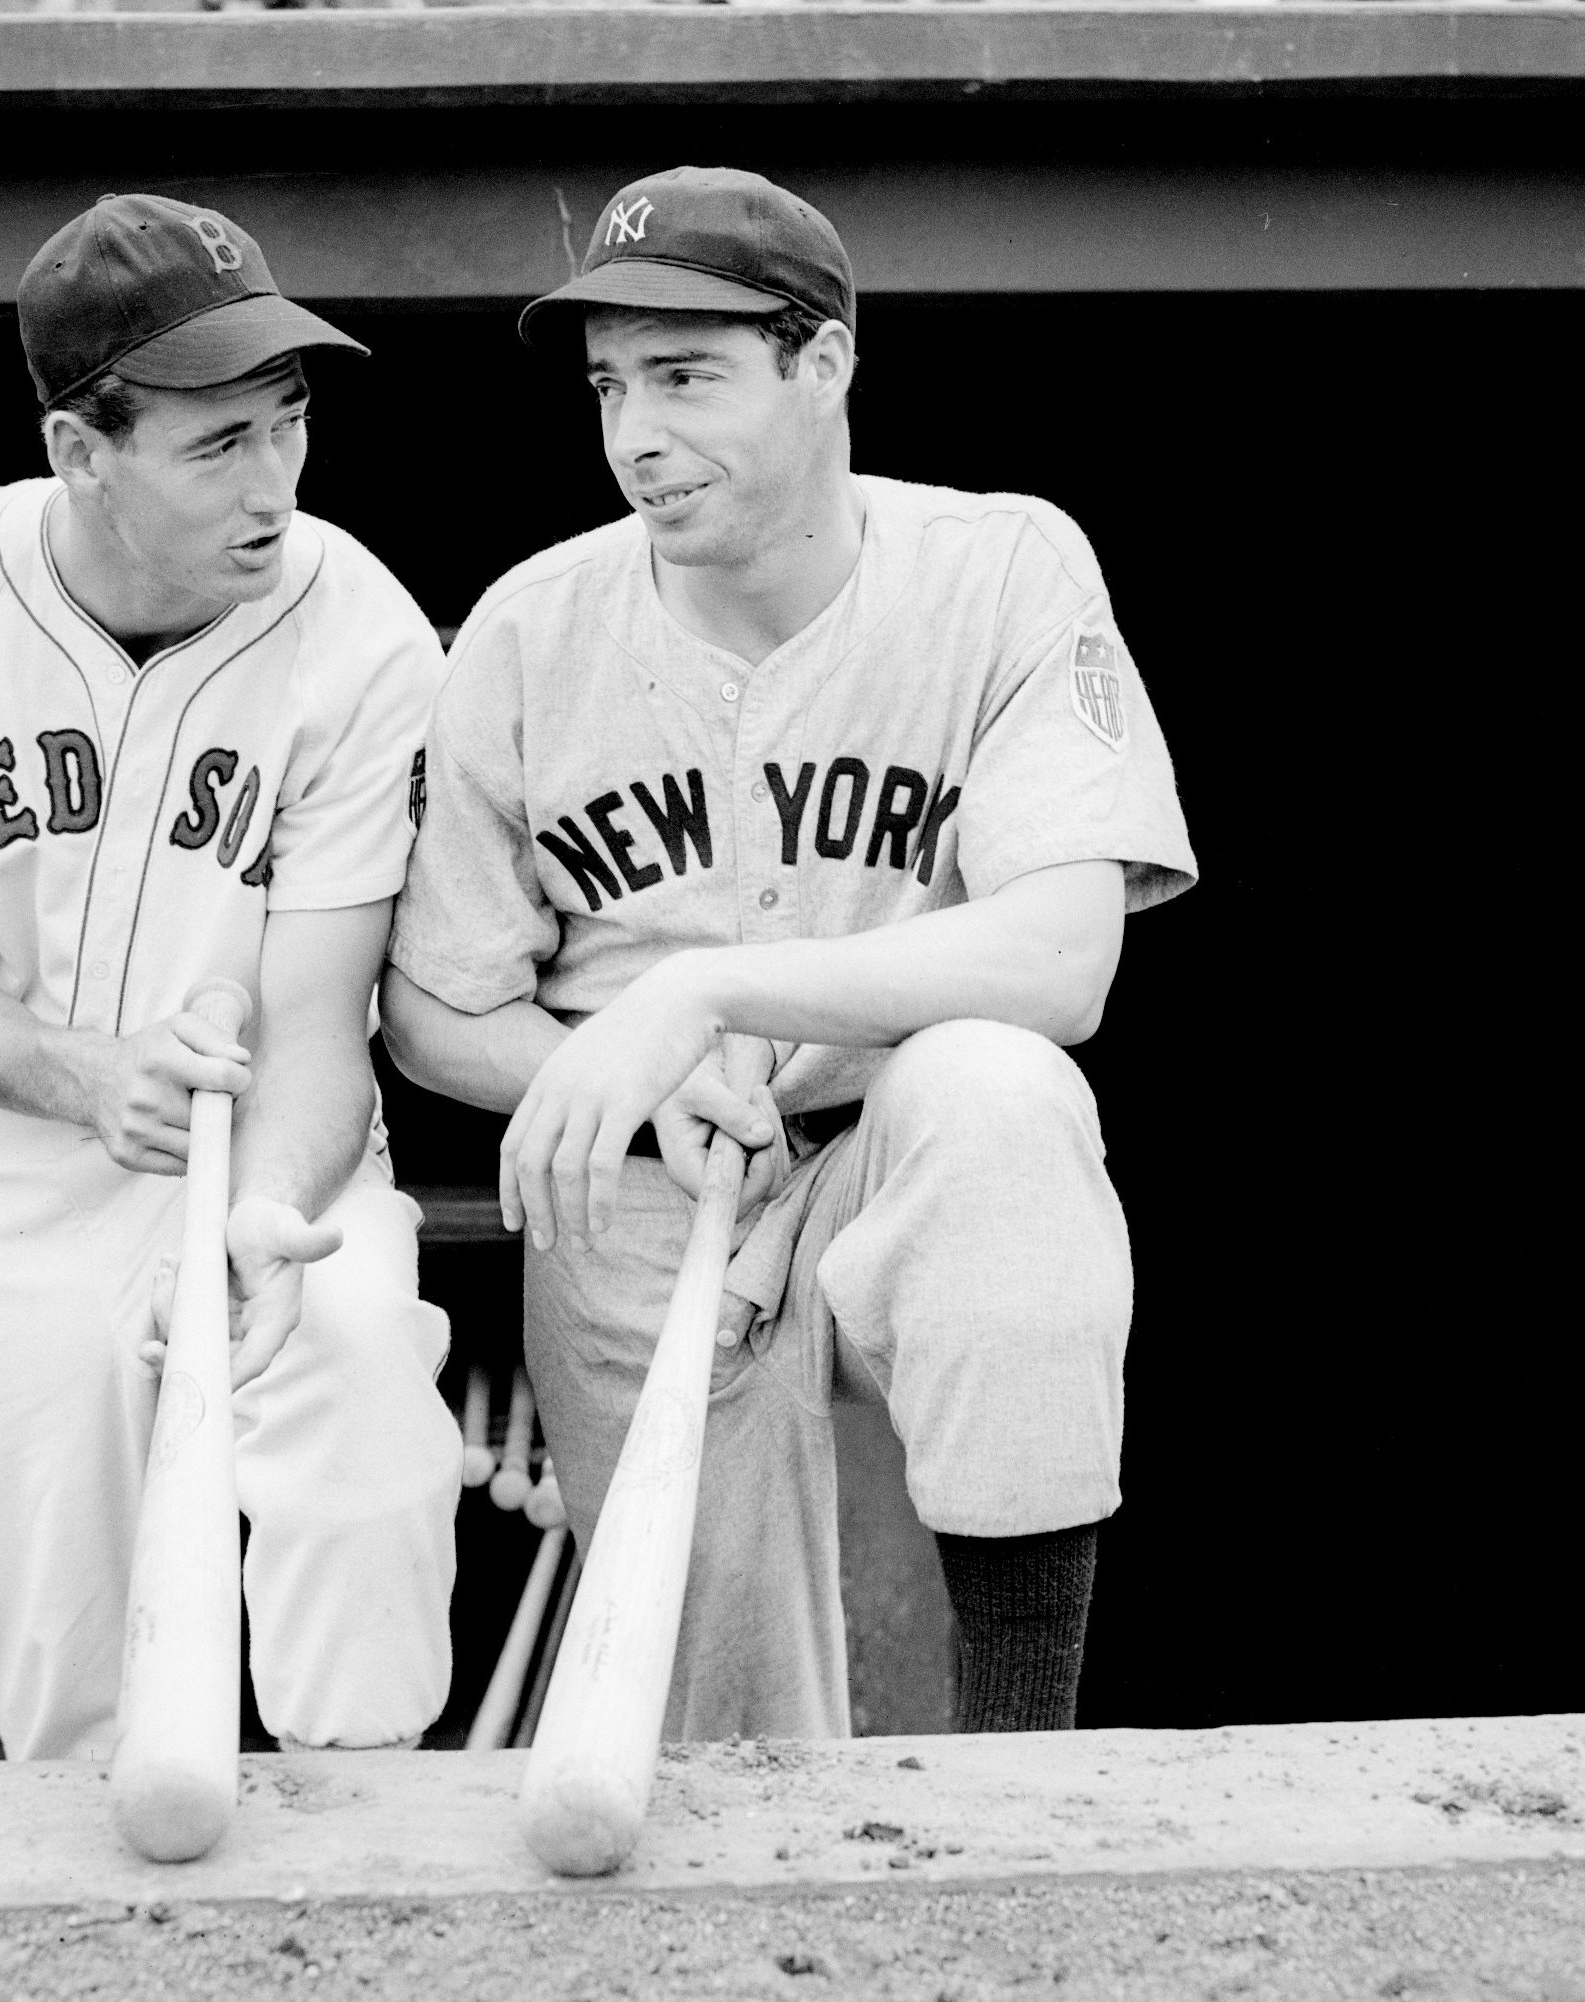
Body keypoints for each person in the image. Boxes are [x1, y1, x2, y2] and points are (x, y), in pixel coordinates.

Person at [382, 166, 1197, 1739]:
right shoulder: (529, 630)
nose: (635, 435)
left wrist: (704, 990)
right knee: (722, 1744)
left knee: (1000, 1097)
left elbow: (1063, 955)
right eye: (613, 385)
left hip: (885, 1145)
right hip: (648, 1189)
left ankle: (1018, 1779)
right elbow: (430, 1000)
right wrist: (610, 1074)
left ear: (821, 363)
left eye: (687, 377)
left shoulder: (1002, 567)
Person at [0, 194, 459, 1762]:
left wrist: (271, 1219)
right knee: (72, 1683)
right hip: (5, 1171)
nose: (277, 482)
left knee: (355, 1390)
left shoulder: (358, 632)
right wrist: (81, 1070)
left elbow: (319, 1020)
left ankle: (373, 1863)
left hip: (274, 1137)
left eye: (288, 422)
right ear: (83, 449)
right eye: (218, 446)